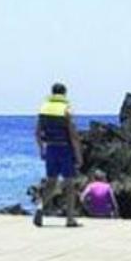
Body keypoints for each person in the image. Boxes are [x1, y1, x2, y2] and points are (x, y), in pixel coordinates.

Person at [35, 83, 83, 228]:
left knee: (51, 183)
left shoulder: (44, 109)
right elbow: (73, 135)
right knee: (69, 185)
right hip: (65, 149)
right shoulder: (65, 109)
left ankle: (40, 207)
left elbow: (37, 133)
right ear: (64, 94)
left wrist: (41, 149)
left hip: (51, 148)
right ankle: (70, 218)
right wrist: (78, 154)